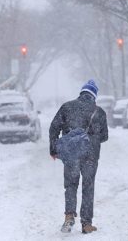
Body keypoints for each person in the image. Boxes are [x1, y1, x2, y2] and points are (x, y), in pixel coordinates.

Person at [49, 79, 108, 234]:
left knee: (71, 185)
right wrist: (91, 139)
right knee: (88, 187)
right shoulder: (99, 112)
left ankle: (69, 216)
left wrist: (54, 149)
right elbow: (104, 136)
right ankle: (87, 224)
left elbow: (53, 128)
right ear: (94, 95)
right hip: (91, 155)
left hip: (72, 154)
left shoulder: (67, 107)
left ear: (82, 92)